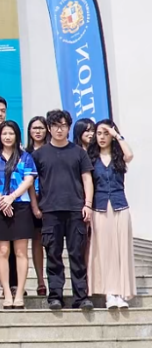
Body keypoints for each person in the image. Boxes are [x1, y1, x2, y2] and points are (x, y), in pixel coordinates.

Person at [33, 110, 94, 311]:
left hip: (76, 209)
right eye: (56, 126)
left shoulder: (78, 152)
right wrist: (36, 206)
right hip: (50, 211)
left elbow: (87, 179)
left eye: (64, 125)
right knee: (53, 254)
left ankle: (81, 296)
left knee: (77, 255)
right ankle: (55, 296)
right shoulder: (39, 154)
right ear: (49, 128)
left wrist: (88, 204)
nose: (60, 129)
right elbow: (31, 183)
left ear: (69, 128)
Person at [0, 120, 37, 309]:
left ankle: (19, 293)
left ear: (17, 136)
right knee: (2, 251)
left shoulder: (25, 157)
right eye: (4, 133)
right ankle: (6, 292)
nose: (7, 137)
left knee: (21, 252)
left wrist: (12, 197)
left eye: (11, 133)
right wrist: (1, 199)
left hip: (21, 206)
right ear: (0, 136)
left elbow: (29, 179)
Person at [88, 119, 136, 309]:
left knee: (121, 250)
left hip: (119, 206)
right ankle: (109, 292)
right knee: (105, 250)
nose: (101, 137)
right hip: (99, 208)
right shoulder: (90, 158)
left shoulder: (119, 157)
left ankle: (121, 292)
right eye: (99, 133)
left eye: (105, 133)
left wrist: (117, 135)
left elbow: (130, 154)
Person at [26, 115, 49, 296]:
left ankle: (53, 278)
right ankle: (40, 281)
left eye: (41, 128)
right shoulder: (25, 153)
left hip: (52, 199)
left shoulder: (53, 149)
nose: (38, 132)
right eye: (34, 128)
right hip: (31, 199)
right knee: (36, 240)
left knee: (52, 242)